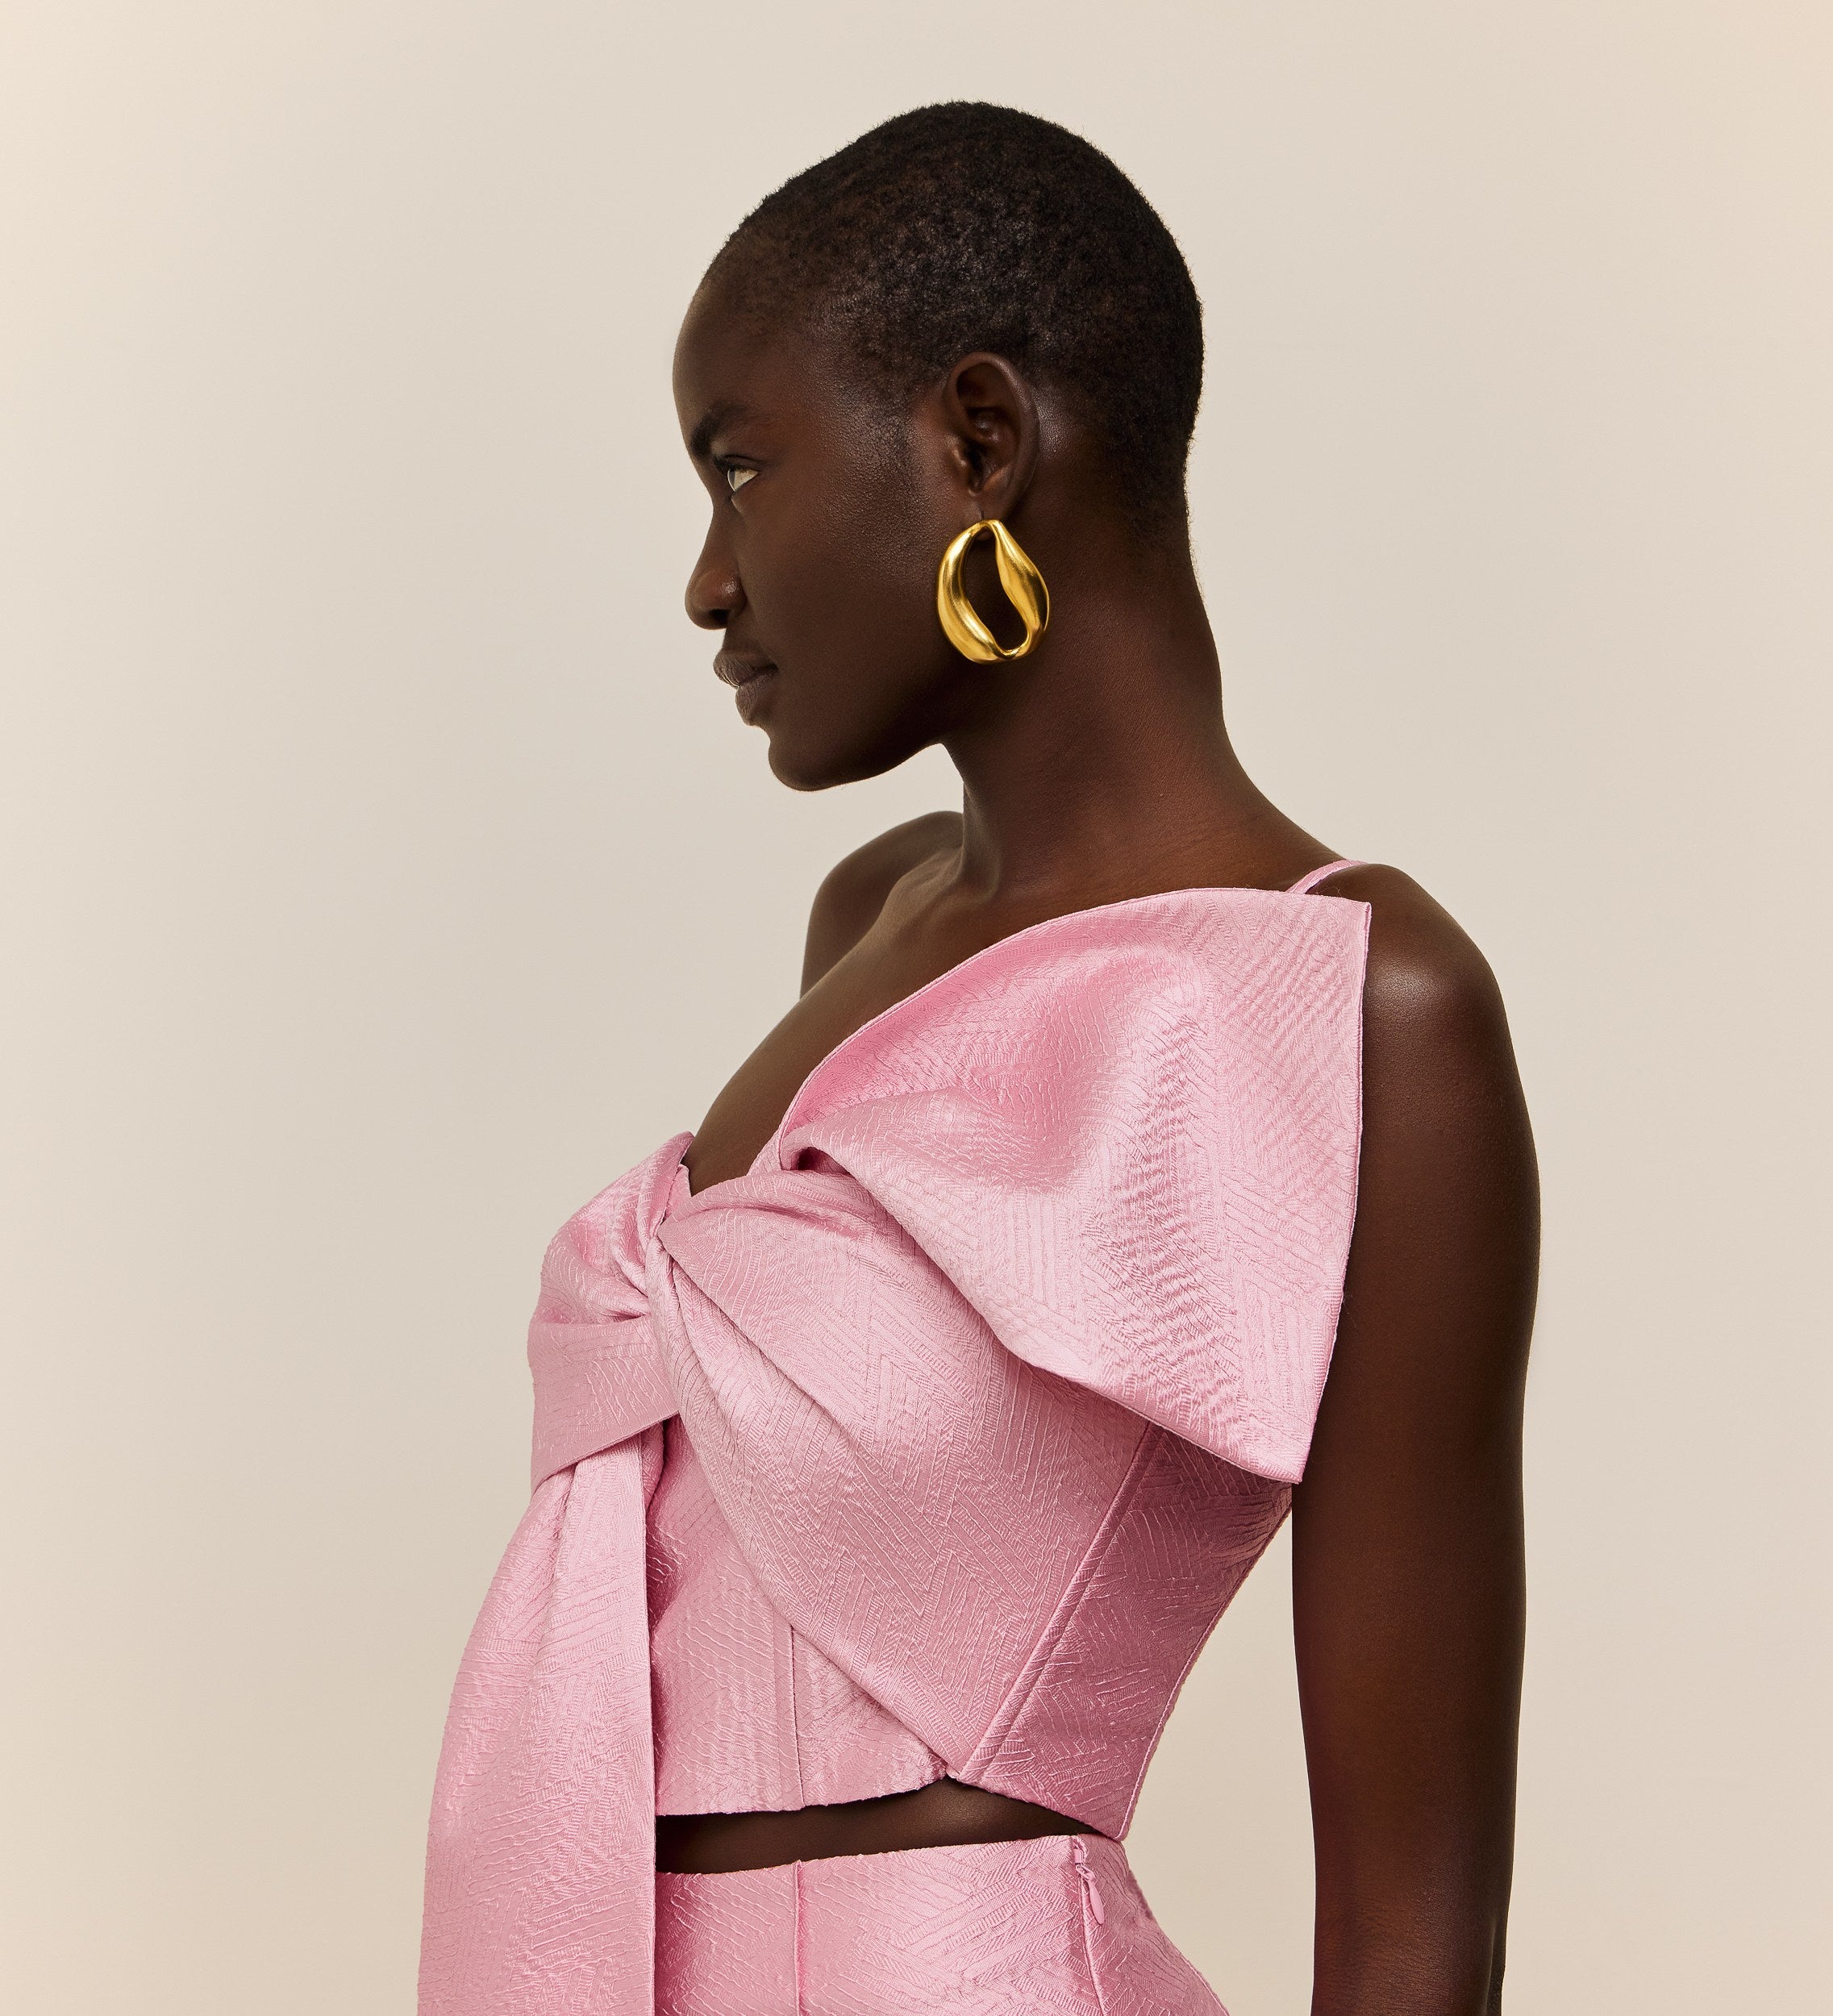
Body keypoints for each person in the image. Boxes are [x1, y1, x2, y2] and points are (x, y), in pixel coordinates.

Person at [419, 102, 1538, 2016]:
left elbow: (1412, 1941)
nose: (708, 580)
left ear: (979, 441)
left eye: (739, 468)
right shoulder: (864, 918)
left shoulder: (1367, 1006)